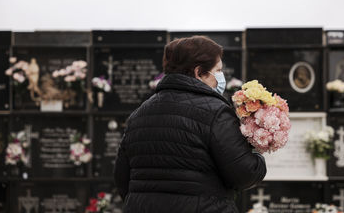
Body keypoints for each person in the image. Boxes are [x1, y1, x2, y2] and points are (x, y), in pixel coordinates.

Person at [114, 36, 267, 213]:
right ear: (199, 72)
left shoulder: (138, 115)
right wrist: (257, 153)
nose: (221, 77)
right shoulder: (216, 112)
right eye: (217, 70)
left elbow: (121, 179)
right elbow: (244, 175)